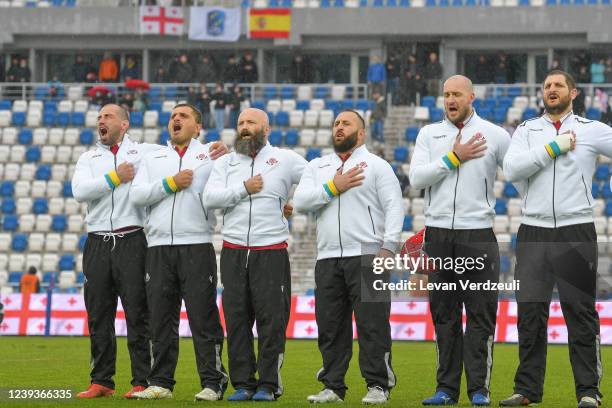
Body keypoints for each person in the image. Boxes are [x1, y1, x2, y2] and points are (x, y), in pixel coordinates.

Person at [500, 70, 610, 408]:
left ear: (573, 92)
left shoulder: (592, 130)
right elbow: (512, 169)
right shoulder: (527, 130)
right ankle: (527, 391)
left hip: (575, 230)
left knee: (580, 313)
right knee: (531, 314)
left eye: (558, 85)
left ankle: (588, 391)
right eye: (547, 85)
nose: (551, 89)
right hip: (533, 232)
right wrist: (552, 147)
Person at [408, 75, 511, 406]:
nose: (450, 99)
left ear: (471, 96)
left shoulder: (495, 135)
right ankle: (446, 389)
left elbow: (518, 173)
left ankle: (479, 389)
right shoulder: (429, 133)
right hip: (438, 234)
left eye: (456, 94)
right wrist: (454, 157)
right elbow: (416, 178)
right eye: (446, 94)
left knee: (481, 314)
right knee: (444, 314)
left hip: (477, 233)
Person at [294, 109, 403, 405]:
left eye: (346, 123)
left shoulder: (377, 166)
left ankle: (378, 386)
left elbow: (395, 206)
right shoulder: (318, 166)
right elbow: (301, 201)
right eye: (336, 124)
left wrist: (389, 247)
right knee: (330, 326)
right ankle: (333, 387)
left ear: (362, 132)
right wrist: (333, 186)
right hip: (327, 256)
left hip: (369, 254)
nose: (339, 128)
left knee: (373, 324)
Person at [203, 108, 307, 402]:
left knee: (271, 322)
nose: (244, 128)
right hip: (234, 251)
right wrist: (243, 189)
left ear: (266, 128)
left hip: (270, 251)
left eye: (250, 122)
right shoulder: (226, 163)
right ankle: (244, 384)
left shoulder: (285, 160)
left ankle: (269, 385)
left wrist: (294, 203)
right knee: (236, 321)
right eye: (240, 123)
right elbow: (209, 198)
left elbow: (316, 179)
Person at [130, 103, 229, 401]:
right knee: (160, 319)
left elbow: (225, 190)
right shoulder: (155, 157)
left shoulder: (212, 155)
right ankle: (160, 383)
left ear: (198, 127)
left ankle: (213, 382)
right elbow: (137, 195)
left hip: (197, 244)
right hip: (158, 247)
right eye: (173, 116)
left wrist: (228, 153)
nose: (176, 119)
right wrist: (170, 183)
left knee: (203, 318)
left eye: (183, 116)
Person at [71, 104, 160, 399]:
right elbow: (80, 191)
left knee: (137, 312)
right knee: (98, 314)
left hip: (131, 239)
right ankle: (102, 381)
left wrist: (215, 148)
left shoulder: (144, 152)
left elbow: (178, 153)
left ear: (124, 124)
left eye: (108, 116)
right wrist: (114, 177)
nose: (101, 121)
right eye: (99, 117)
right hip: (96, 241)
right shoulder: (88, 157)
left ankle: (142, 380)